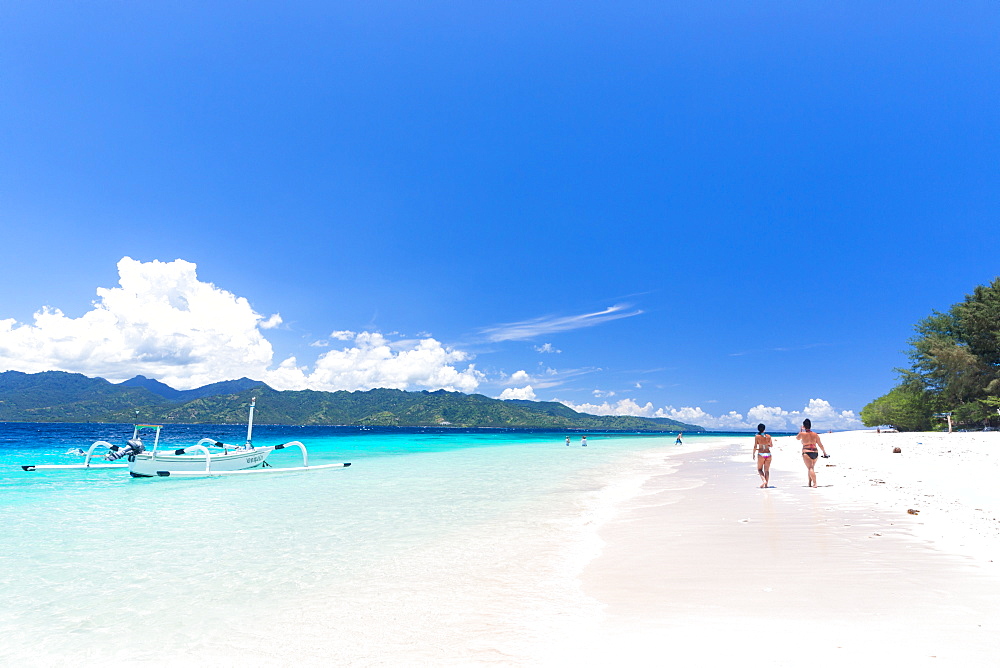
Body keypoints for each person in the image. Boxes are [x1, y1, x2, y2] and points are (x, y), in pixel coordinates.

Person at [796, 418, 828, 488]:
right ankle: (809, 483)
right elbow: (820, 444)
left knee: (810, 468)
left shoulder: (802, 434)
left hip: (806, 452)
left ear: (804, 426)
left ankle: (815, 483)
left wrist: (801, 430)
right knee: (811, 468)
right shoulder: (815, 434)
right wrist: (824, 452)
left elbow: (797, 438)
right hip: (815, 452)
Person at [752, 423, 773, 488]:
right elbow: (771, 445)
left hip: (761, 454)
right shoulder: (768, 436)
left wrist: (753, 453)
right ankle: (766, 485)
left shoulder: (757, 436)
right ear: (764, 429)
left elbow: (755, 446)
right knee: (766, 470)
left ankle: (764, 481)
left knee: (759, 469)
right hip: (768, 454)